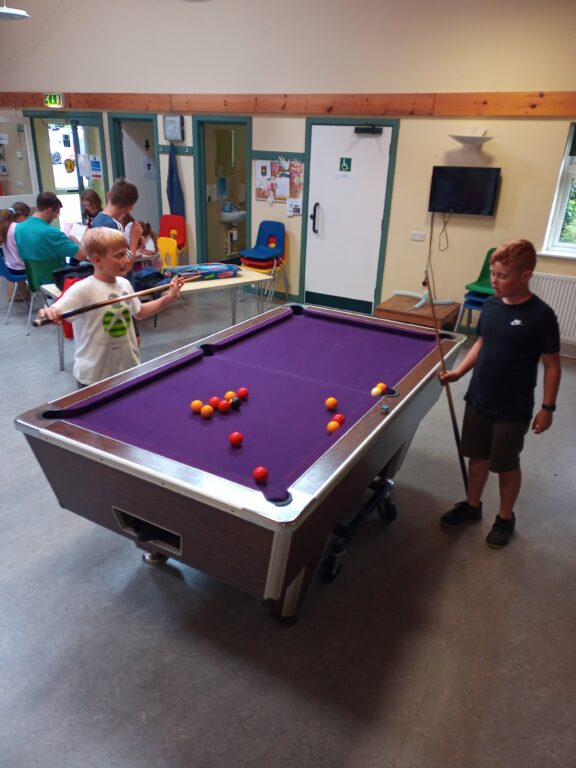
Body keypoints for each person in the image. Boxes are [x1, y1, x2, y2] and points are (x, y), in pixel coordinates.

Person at [439, 239, 561, 548]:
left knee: (506, 464)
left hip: (513, 407)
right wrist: (459, 372)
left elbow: (552, 365)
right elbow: (481, 343)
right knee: (477, 458)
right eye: (493, 273)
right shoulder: (491, 306)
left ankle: (505, 518)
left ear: (525, 275)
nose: (494, 280)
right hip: (479, 397)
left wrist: (548, 407)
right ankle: (472, 505)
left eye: (502, 275)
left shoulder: (542, 316)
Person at [37, 227, 184, 387]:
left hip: (128, 370)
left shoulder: (124, 284)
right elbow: (57, 309)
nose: (127, 260)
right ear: (97, 260)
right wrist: (49, 313)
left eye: (126, 253)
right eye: (119, 256)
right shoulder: (82, 289)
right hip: (93, 378)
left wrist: (169, 297)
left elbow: (140, 312)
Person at [15, 191, 86, 266]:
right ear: (49, 211)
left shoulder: (19, 228)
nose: (56, 216)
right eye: (57, 212)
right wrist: (77, 242)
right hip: (57, 275)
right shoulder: (52, 233)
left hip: (33, 276)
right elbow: (82, 255)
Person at [92, 178, 142, 256]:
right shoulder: (115, 226)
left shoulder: (96, 220)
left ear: (108, 195)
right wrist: (134, 240)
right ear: (129, 209)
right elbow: (125, 263)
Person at [0, 201, 31, 275]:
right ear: (21, 217)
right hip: (20, 268)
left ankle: (22, 286)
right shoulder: (18, 228)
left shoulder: (6, 226)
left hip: (10, 267)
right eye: (27, 217)